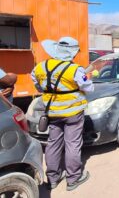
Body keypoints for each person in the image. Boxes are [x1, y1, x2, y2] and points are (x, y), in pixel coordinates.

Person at [31, 36, 94, 191]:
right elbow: (88, 87)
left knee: (53, 143)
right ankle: (73, 178)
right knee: (72, 143)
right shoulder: (75, 69)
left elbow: (38, 85)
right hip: (73, 112)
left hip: (52, 112)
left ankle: (52, 178)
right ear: (72, 52)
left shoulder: (40, 67)